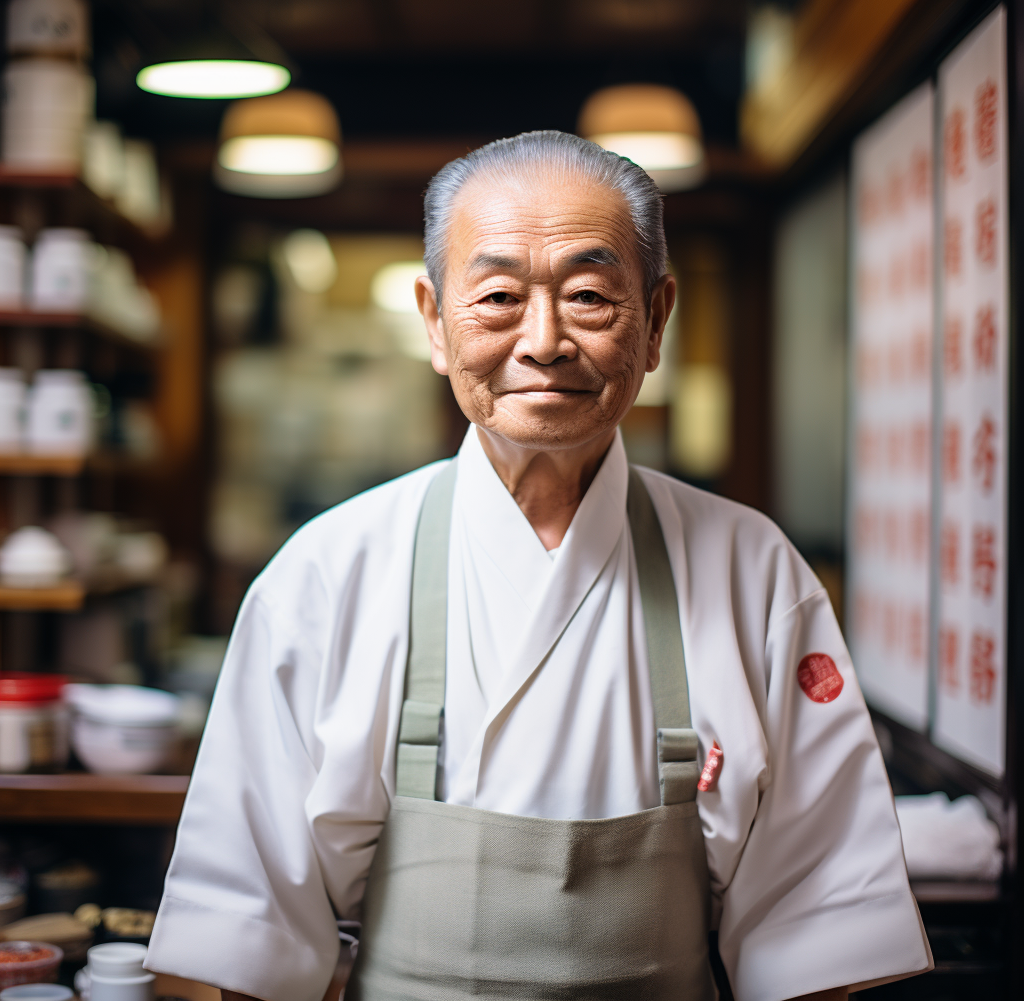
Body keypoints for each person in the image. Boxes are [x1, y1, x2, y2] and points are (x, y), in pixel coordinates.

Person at [146, 131, 933, 1001]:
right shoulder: (329, 574)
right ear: (436, 323)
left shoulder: (756, 575)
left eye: (591, 295)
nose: (546, 340)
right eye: (497, 298)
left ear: (658, 319)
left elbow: (816, 937)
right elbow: (246, 939)